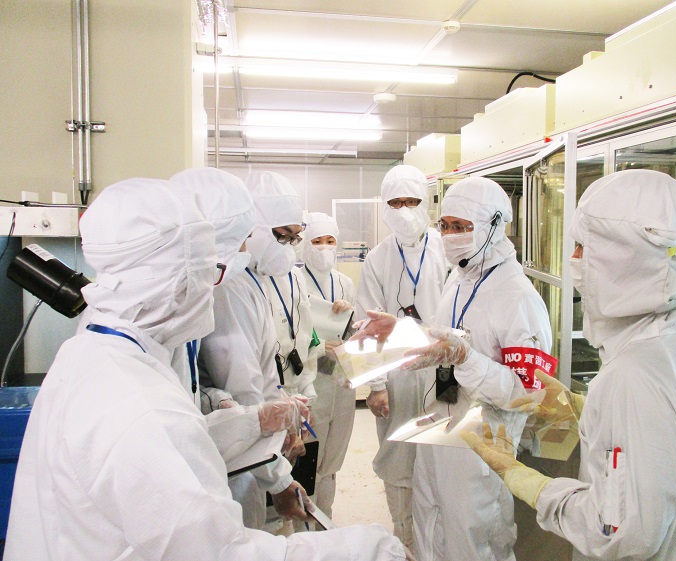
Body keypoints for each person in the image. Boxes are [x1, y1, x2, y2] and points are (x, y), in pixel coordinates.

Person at [4, 178, 410, 561]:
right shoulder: (136, 403)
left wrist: (255, 420)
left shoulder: (96, 352)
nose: (215, 290)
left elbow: (180, 438)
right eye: (213, 273)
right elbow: (220, 551)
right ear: (176, 282)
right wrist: (367, 549)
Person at [463, 169, 676, 561]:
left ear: (620, 257)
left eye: (582, 247)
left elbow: (618, 532)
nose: (573, 260)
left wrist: (527, 482)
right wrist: (583, 408)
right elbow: (669, 437)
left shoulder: (633, 375)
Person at [389, 176, 552, 561]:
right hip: (438, 425)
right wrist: (398, 333)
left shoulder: (518, 298)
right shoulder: (459, 279)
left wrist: (465, 359)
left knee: (473, 542)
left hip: (482, 445)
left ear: (493, 226)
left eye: (461, 227)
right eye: (445, 226)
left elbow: (529, 395)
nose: (449, 236)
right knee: (430, 525)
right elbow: (447, 337)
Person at [170, 167, 309, 530]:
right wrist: (276, 473)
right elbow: (242, 384)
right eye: (280, 236)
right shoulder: (227, 287)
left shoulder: (251, 279)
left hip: (244, 446)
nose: (287, 247)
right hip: (235, 459)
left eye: (294, 238)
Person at [355, 164, 448, 549]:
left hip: (444, 369)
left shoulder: (445, 248)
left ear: (425, 202)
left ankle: (437, 540)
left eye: (412, 201)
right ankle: (405, 536)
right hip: (397, 375)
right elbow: (365, 323)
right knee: (397, 454)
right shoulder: (378, 258)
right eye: (396, 203)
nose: (405, 210)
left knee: (442, 452)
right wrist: (375, 386)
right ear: (384, 206)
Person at [299, 211, 357, 520]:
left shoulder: (344, 283)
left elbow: (355, 332)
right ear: (305, 244)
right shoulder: (293, 281)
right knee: (309, 456)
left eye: (330, 241)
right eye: (317, 241)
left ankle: (326, 517)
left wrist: (350, 317)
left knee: (333, 459)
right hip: (311, 381)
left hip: (341, 380)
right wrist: (320, 346)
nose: (324, 247)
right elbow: (290, 334)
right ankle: (306, 524)